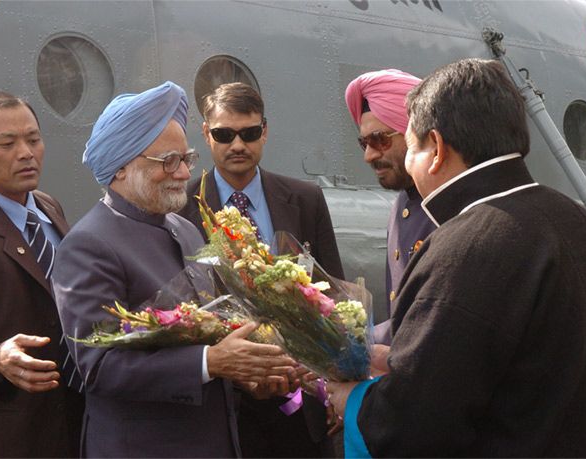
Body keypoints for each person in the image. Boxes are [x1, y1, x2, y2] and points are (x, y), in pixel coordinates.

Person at [327, 58, 586, 457]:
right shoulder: (582, 224)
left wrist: (351, 401)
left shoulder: (464, 246)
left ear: (436, 149)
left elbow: (412, 425)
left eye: (409, 146)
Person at [52, 81, 297, 458]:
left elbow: (215, 330)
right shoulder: (88, 246)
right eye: (168, 161)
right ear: (121, 168)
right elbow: (97, 367)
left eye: (186, 159)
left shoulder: (183, 229)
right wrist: (210, 362)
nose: (184, 173)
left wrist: (252, 370)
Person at [179, 82, 344, 458]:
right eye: (224, 134)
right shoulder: (182, 210)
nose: (238, 145)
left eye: (249, 133)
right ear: (206, 134)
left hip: (302, 401)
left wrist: (335, 382)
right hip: (226, 405)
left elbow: (334, 292)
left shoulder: (305, 200)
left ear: (265, 132)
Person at [0, 90, 83, 457]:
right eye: (7, 143)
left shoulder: (48, 208)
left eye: (33, 139)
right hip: (11, 435)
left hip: (76, 424)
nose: (26, 152)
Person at [345, 69, 435, 344]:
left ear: (414, 134)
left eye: (379, 140)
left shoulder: (448, 206)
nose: (369, 155)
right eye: (364, 143)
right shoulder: (400, 205)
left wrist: (363, 342)